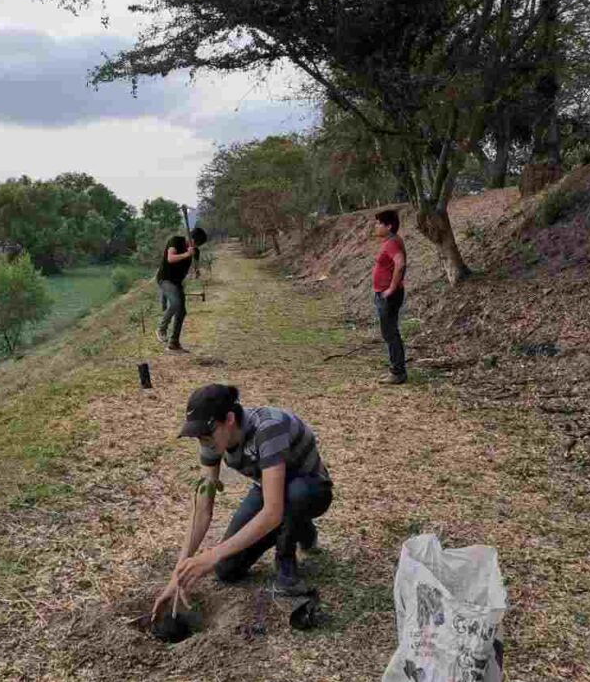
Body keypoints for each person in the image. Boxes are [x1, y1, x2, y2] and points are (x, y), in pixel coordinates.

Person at [152, 384, 333, 617]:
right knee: (227, 568)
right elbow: (202, 510)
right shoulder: (212, 442)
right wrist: (178, 575)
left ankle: (287, 564)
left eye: (207, 434)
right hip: (269, 489)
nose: (203, 442)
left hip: (311, 488)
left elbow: (272, 512)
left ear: (229, 419)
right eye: (198, 437)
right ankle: (301, 527)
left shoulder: (268, 428)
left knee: (294, 496)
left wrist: (212, 553)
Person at [156, 225, 208, 353]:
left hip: (177, 282)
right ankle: (161, 329)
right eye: (194, 243)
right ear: (191, 237)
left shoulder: (195, 251)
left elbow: (194, 267)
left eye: (197, 245)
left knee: (182, 311)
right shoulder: (175, 241)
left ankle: (174, 344)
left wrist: (196, 272)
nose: (195, 246)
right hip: (165, 279)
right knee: (175, 303)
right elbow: (170, 258)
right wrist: (186, 254)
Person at [372, 209, 407, 385]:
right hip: (385, 294)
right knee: (390, 332)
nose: (376, 226)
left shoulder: (392, 243)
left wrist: (391, 288)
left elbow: (400, 264)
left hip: (389, 296)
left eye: (379, 223)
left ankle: (397, 372)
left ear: (389, 226)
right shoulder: (391, 241)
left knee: (390, 333)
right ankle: (397, 369)